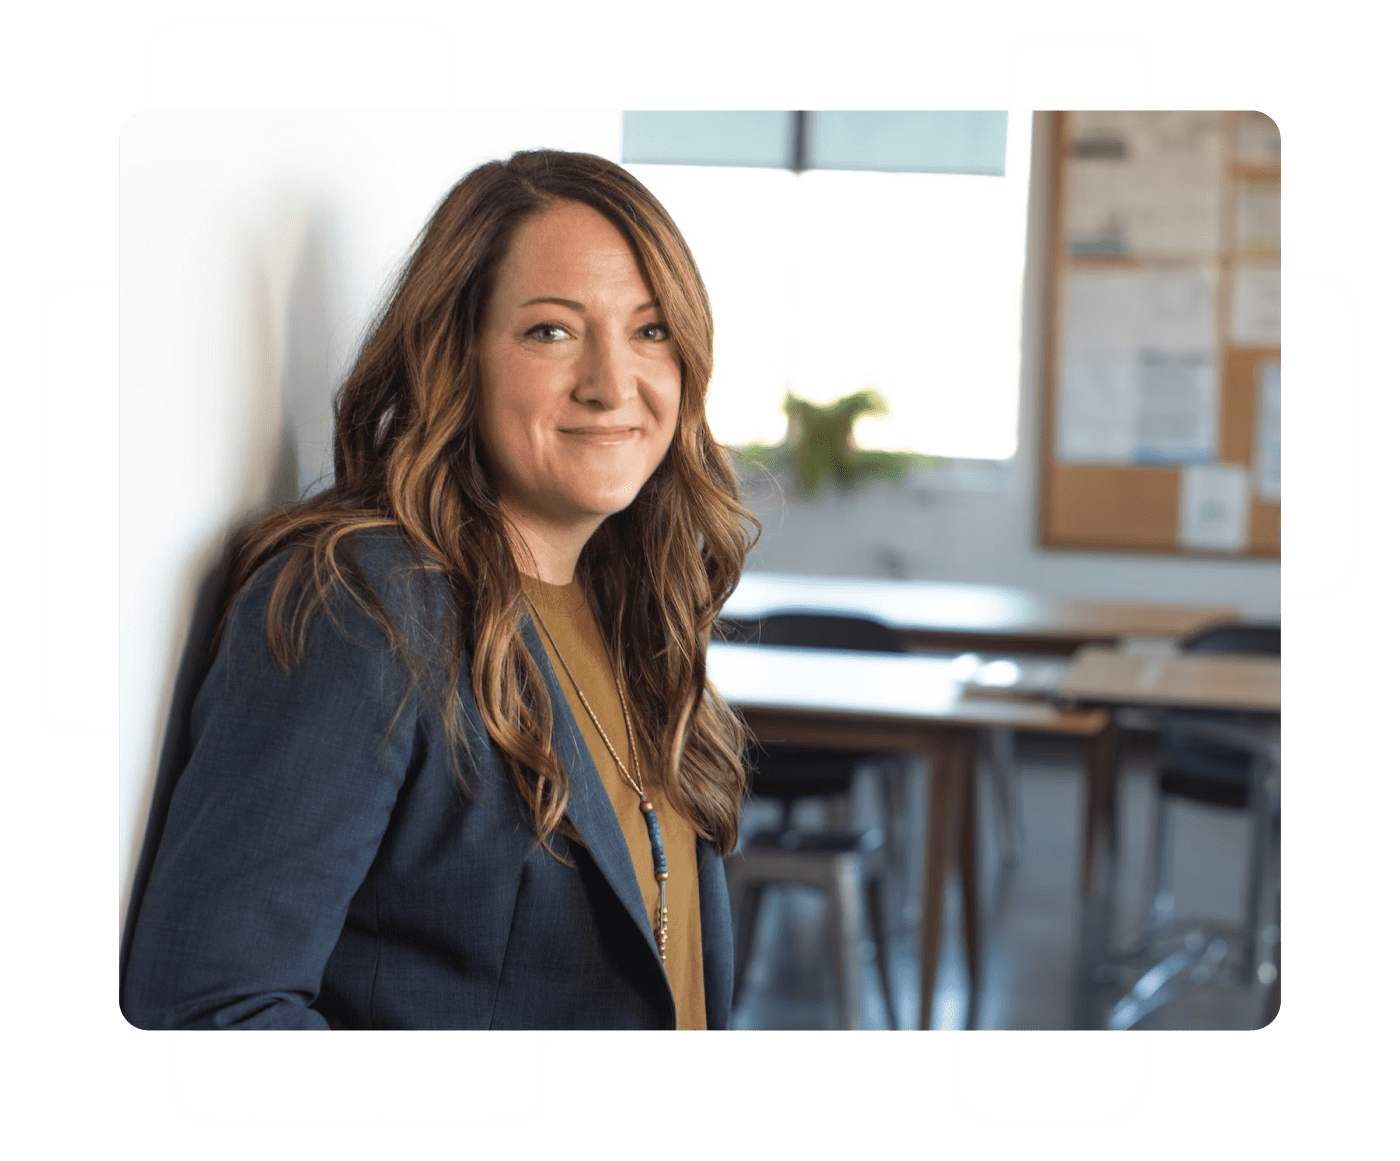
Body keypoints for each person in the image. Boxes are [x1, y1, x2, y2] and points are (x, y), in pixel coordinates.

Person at [120, 150, 758, 1030]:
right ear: (457, 355)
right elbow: (209, 1006)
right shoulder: (361, 605)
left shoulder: (636, 608)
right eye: (552, 331)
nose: (614, 384)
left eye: (650, 330)